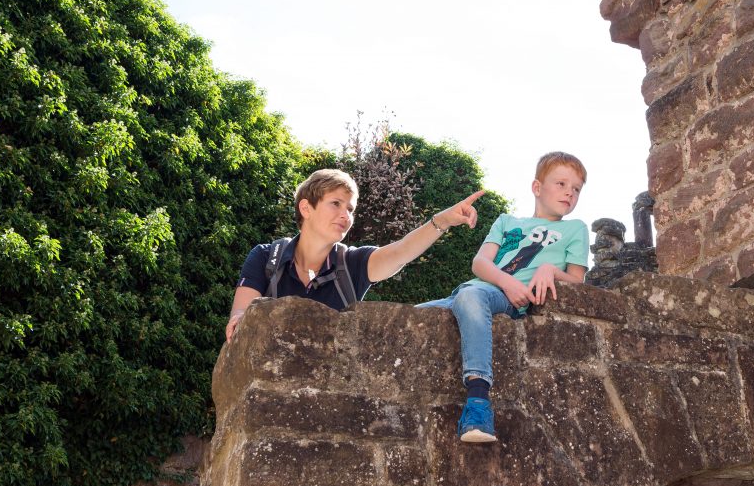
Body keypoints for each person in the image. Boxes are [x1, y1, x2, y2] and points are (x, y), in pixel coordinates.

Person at [418, 152, 588, 443]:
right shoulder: (506, 221)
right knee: (413, 315)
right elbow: (479, 264)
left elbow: (578, 280)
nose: (569, 192)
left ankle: (478, 402)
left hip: (508, 300)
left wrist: (550, 270)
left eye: (576, 189)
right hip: (478, 289)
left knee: (471, 297)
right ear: (537, 187)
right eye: (561, 183)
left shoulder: (575, 229)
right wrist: (506, 282)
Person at [226, 168, 483, 340]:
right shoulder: (265, 257)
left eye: (350, 209)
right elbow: (242, 315)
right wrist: (237, 320)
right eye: (336, 204)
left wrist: (442, 221)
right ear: (306, 208)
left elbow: (401, 252)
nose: (345, 216)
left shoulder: (352, 263)